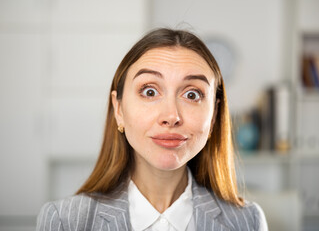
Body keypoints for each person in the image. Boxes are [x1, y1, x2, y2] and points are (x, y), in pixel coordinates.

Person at [36, 28, 268, 231]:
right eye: (149, 91)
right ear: (119, 109)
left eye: (192, 94)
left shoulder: (248, 222)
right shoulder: (64, 222)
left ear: (214, 116)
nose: (171, 116)